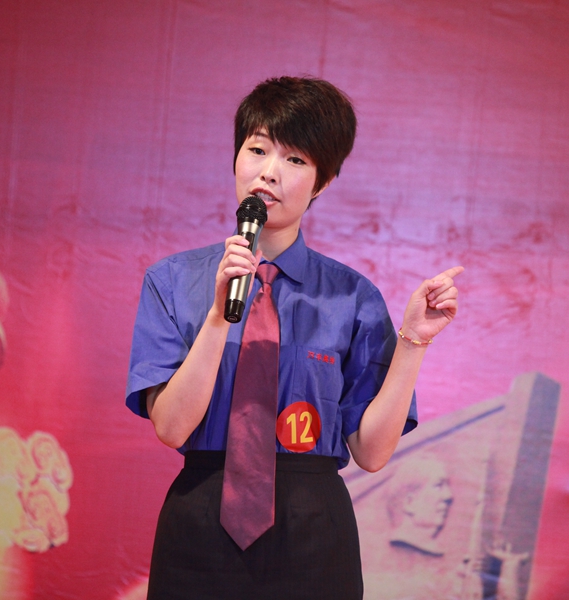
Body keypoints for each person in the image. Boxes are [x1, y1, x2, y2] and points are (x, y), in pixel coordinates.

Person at [125, 76, 463, 600]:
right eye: (257, 149)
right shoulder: (171, 282)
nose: (269, 172)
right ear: (236, 157)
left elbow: (371, 452)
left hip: (314, 533)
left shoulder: (352, 297)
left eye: (295, 159)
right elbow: (170, 427)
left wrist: (413, 341)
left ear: (322, 182)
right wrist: (218, 316)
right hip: (199, 527)